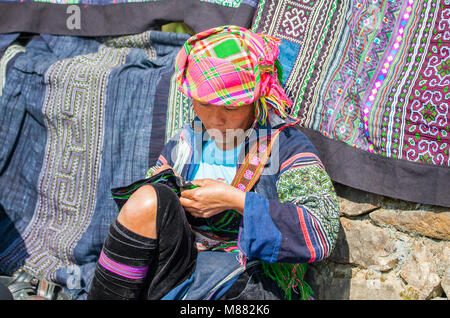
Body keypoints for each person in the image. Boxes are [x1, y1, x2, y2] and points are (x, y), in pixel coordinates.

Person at [87, 25, 340, 300]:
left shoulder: (285, 145)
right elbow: (144, 210)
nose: (216, 120)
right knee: (148, 199)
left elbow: (321, 229)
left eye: (231, 108)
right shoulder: (188, 141)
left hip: (245, 282)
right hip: (180, 269)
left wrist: (235, 201)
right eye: (205, 104)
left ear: (255, 98)